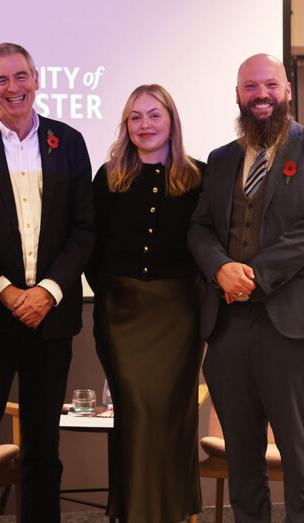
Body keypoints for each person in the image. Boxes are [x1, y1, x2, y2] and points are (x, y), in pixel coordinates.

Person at [188, 53, 304, 523]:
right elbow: (200, 229)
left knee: (299, 454)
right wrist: (221, 268)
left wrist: (253, 275)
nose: (261, 95)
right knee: (241, 458)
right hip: (227, 326)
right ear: (238, 95)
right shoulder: (220, 160)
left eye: (270, 85)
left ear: (287, 90)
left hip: (291, 325)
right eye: (250, 87)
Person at [0, 42, 95, 522]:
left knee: (44, 448)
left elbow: (85, 228)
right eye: (1, 80)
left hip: (51, 319)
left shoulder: (68, 141)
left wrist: (48, 291)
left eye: (21, 76)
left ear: (37, 79)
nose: (13, 88)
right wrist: (5, 290)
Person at [86, 84, 205, 523]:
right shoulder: (109, 177)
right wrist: (110, 290)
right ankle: (133, 512)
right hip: (121, 316)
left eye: (154, 115)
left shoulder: (199, 177)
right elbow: (92, 245)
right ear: (126, 126)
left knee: (172, 416)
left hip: (179, 316)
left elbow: (208, 243)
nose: (145, 125)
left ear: (172, 121)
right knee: (134, 414)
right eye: (135, 117)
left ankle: (173, 513)